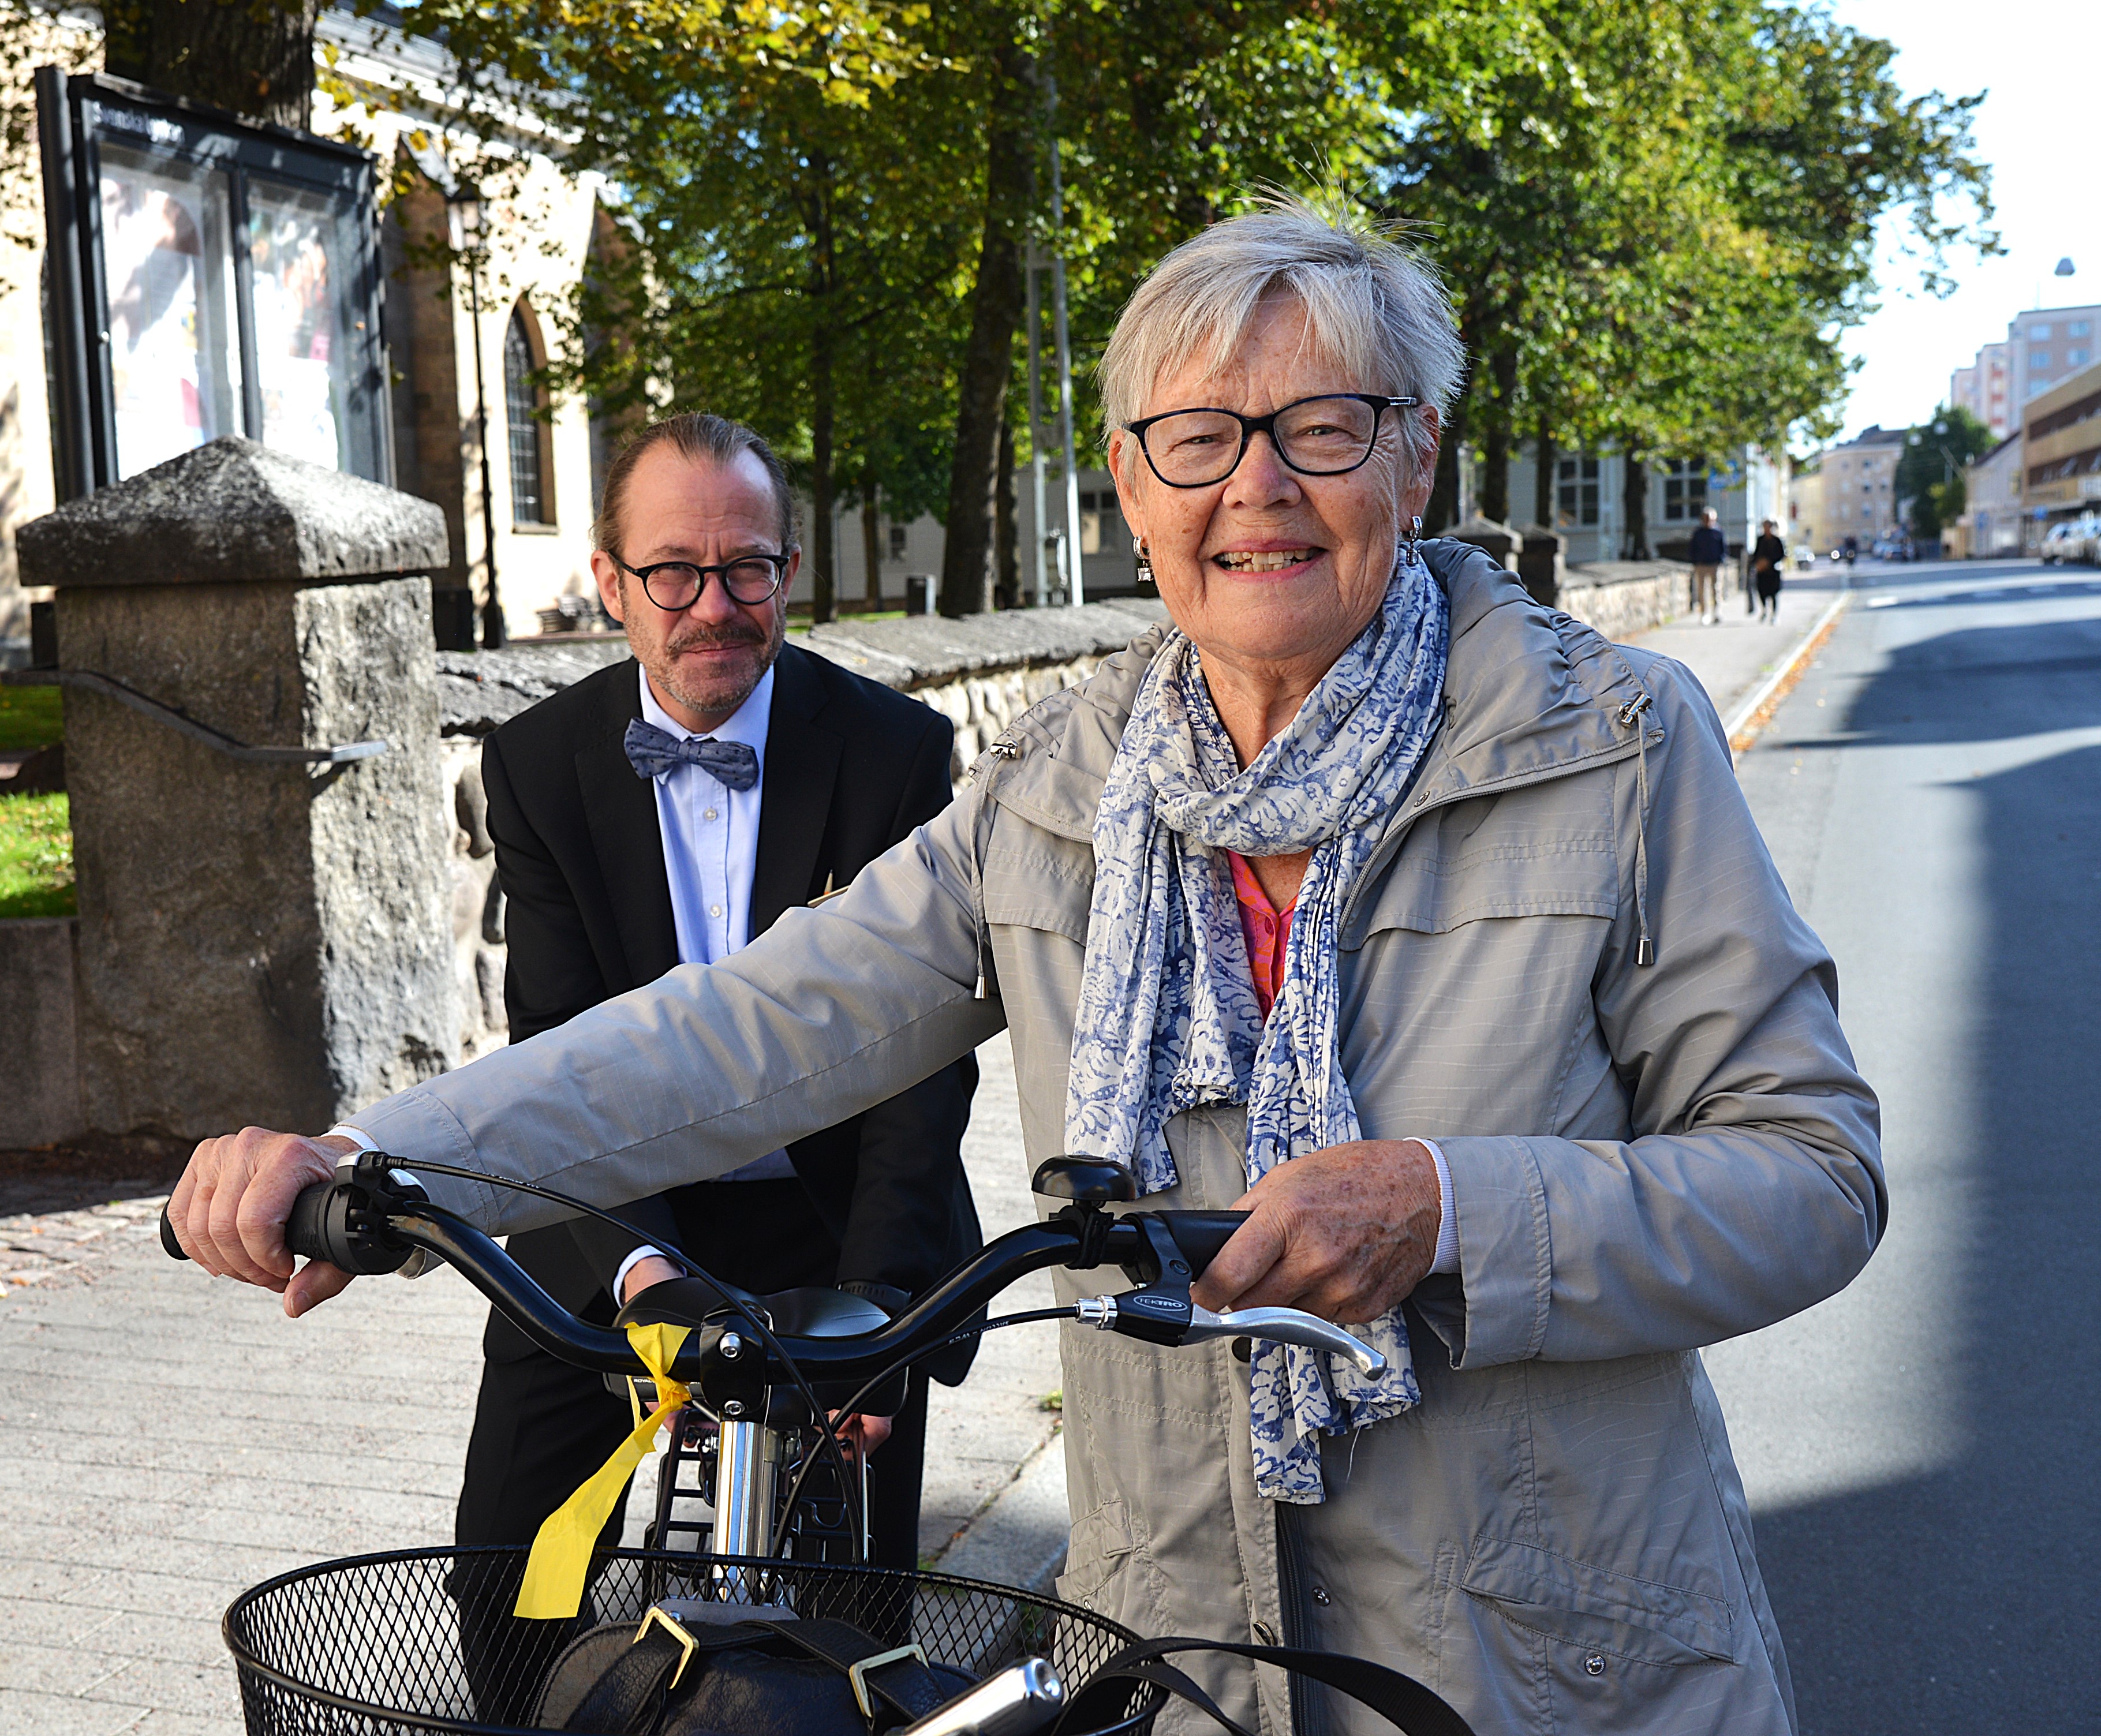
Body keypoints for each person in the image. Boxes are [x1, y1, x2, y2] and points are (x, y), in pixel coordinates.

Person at [174, 197, 1883, 1735]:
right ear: (1133, 487)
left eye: (1325, 425)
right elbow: (742, 1033)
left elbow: (1812, 1177)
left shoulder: (1612, 746)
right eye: (1199, 436)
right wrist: (372, 1155)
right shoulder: (1060, 788)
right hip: (1182, 1669)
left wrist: (1449, 1206)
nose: (1259, 486)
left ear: (1415, 460)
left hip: (1537, 1669)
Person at [449, 412, 983, 1705]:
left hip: (836, 1218)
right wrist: (640, 1276)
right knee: (506, 1566)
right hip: (614, 1214)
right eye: (673, 571)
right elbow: (563, 1038)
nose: (714, 606)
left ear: (789, 572)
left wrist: (877, 1309)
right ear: (610, 581)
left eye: (747, 567)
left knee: (858, 1598)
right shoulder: (537, 762)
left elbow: (924, 1062)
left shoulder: (895, 751)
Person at [1688, 507, 1728, 621]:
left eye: (1709, 518)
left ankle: (1717, 612)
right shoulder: (1698, 533)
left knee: (1716, 589)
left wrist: (1721, 560)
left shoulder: (1718, 532)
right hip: (1701, 564)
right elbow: (1692, 548)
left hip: (1715, 564)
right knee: (1702, 590)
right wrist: (1694, 561)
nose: (1707, 521)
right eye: (1705, 518)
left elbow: (1723, 548)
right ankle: (1704, 613)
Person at [1751, 519, 1787, 619]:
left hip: (1773, 571)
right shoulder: (1761, 540)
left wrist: (1770, 562)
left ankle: (1774, 614)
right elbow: (1756, 554)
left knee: (1774, 593)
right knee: (1762, 591)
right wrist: (1757, 563)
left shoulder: (1777, 540)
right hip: (1762, 571)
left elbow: (1782, 555)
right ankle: (1764, 610)